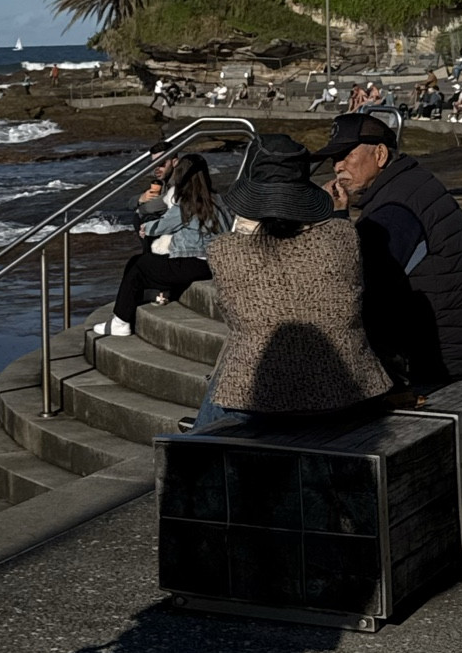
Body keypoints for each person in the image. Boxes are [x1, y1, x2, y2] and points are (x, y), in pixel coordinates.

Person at [186, 135, 393, 431]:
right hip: (348, 392)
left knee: (235, 360)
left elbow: (238, 322)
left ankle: (195, 440)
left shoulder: (223, 250)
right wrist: (338, 214)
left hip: (262, 404)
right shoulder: (344, 235)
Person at [316, 113, 462, 385]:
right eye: (334, 159)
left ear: (380, 154)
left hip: (432, 363)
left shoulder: (394, 210)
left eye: (346, 155)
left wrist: (336, 219)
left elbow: (353, 284)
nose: (338, 166)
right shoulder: (411, 183)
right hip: (456, 348)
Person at [93, 152, 229, 338]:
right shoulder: (219, 200)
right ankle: (141, 303)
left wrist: (146, 227)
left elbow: (164, 225)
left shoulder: (186, 202)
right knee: (144, 263)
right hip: (213, 263)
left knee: (138, 265)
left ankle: (121, 321)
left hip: (191, 263)